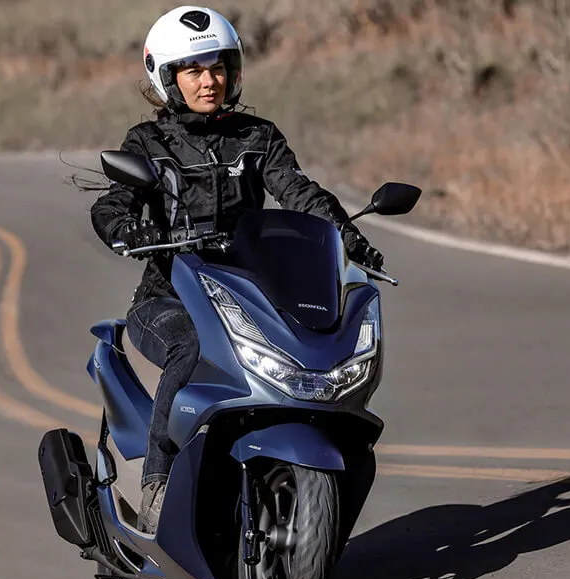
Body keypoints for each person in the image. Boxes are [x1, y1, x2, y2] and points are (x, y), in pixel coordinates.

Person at [88, 5, 385, 535]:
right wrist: (130, 230)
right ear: (168, 78)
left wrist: (348, 235)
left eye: (219, 67)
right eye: (195, 70)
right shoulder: (147, 143)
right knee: (188, 350)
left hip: (247, 293)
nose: (210, 81)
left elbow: (297, 191)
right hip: (169, 299)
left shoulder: (258, 136)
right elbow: (112, 205)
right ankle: (156, 481)